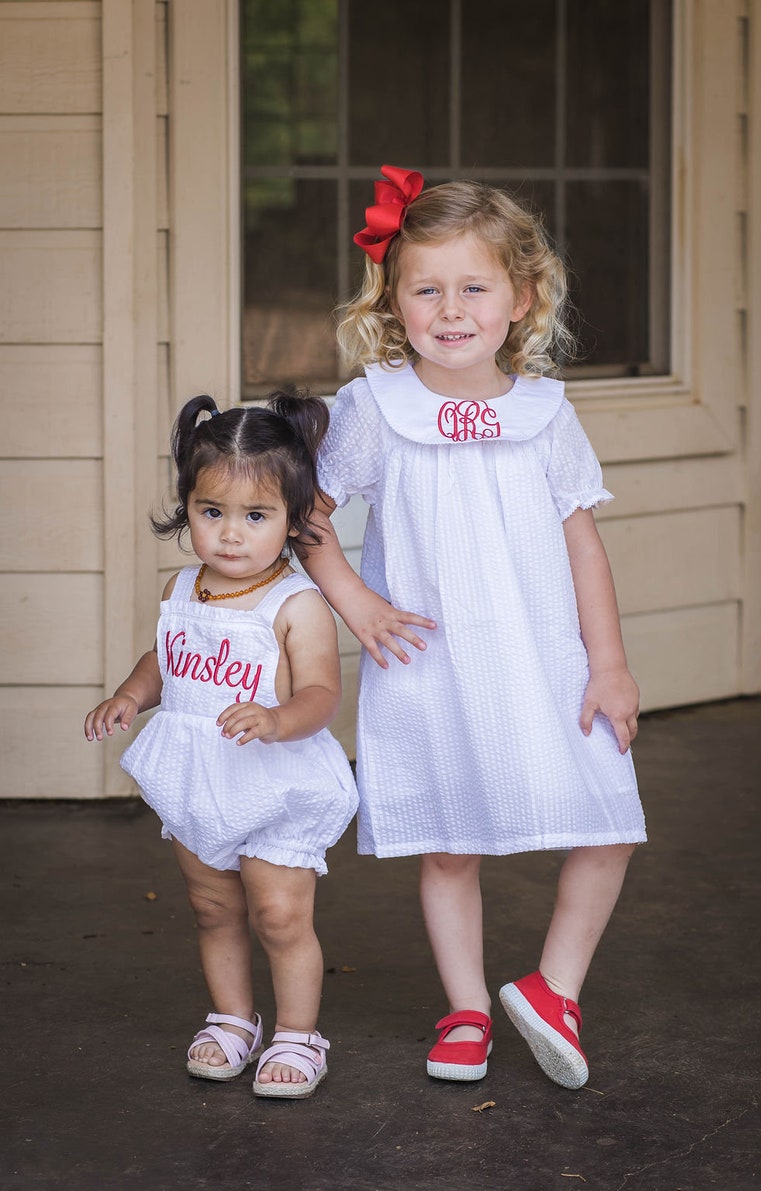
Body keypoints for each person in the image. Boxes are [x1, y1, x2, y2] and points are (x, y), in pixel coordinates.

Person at [302, 165, 646, 1091]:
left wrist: (608, 663)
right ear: (395, 300)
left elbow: (583, 546)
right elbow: (310, 517)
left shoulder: (545, 413)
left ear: (521, 296)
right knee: (450, 841)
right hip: (433, 661)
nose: (450, 309)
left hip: (542, 657)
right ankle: (463, 1006)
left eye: (474, 286)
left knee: (608, 818)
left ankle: (553, 988)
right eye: (427, 288)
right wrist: (358, 604)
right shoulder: (375, 407)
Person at [84, 391, 358, 1099]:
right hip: (199, 775)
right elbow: (166, 659)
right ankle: (234, 1019)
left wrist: (276, 718)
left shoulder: (295, 604)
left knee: (277, 911)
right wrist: (129, 694)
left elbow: (323, 694)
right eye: (213, 513)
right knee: (213, 907)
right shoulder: (184, 585)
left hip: (272, 781)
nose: (230, 535)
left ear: (295, 519)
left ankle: (299, 1033)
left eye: (256, 516)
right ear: (189, 507)